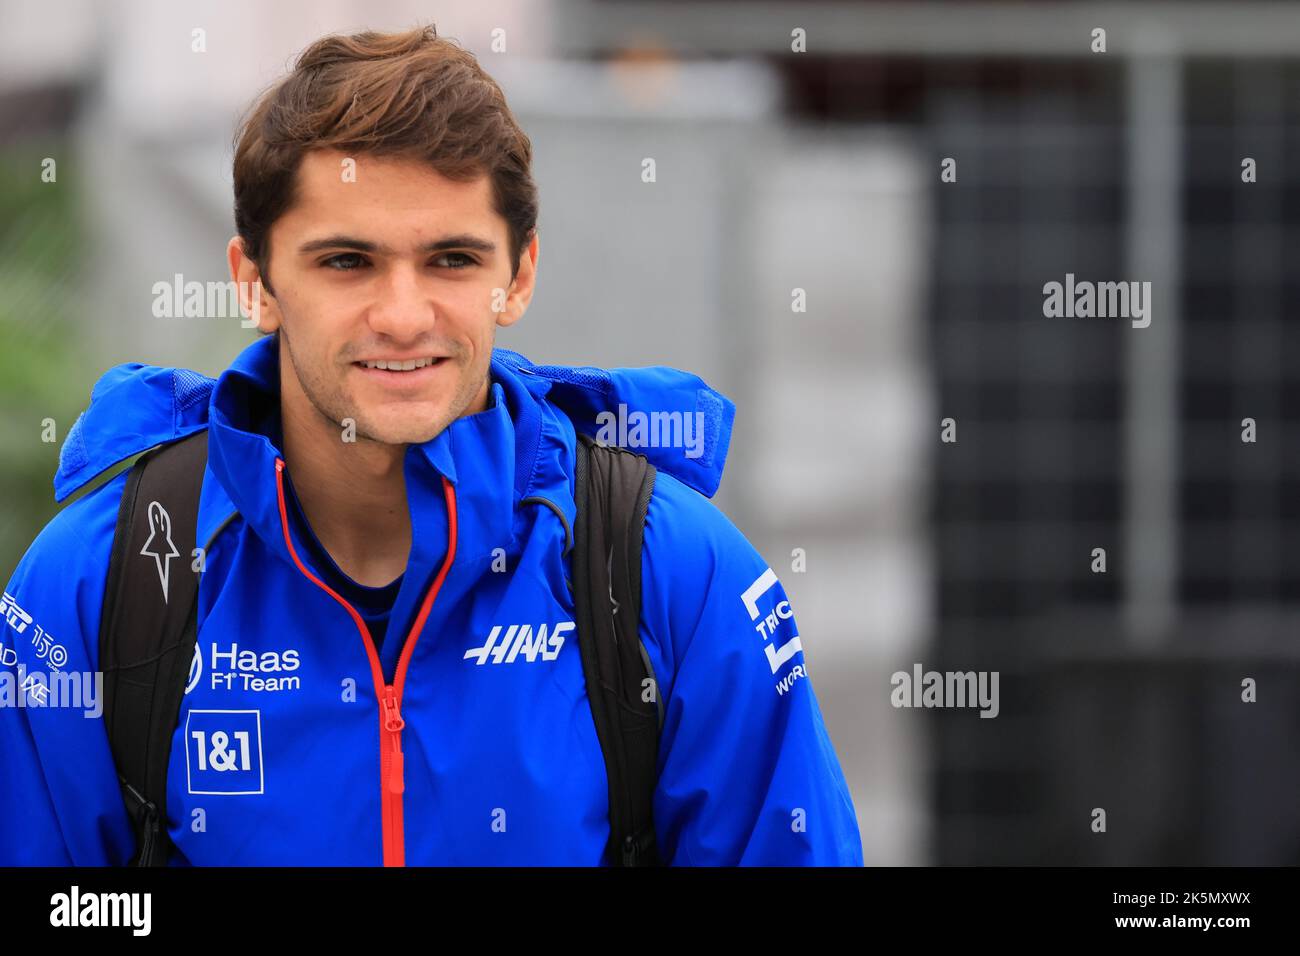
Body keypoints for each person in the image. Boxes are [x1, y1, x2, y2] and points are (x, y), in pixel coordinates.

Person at [0, 24, 862, 866]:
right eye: (347, 261)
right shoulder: (98, 579)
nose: (404, 316)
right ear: (254, 282)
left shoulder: (673, 571)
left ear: (517, 276)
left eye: (451, 259)